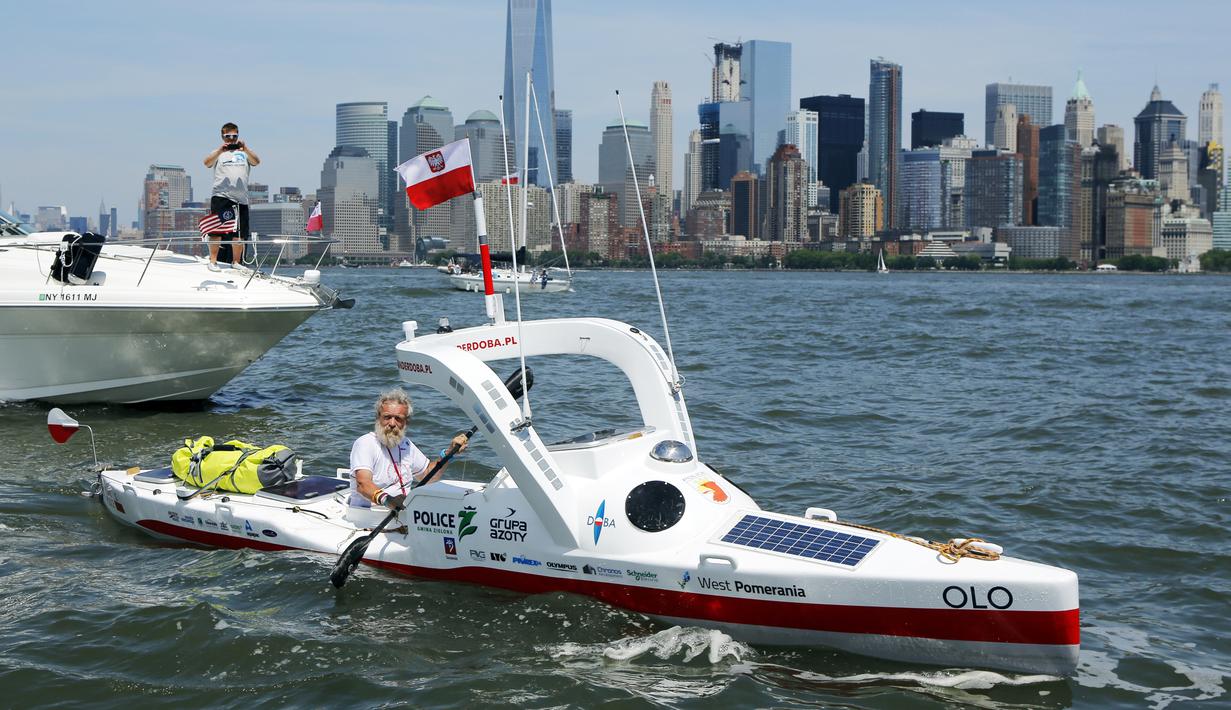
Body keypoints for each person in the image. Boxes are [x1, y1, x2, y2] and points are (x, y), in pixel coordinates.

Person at [349, 388, 469, 509]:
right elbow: (362, 484)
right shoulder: (365, 443)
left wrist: (449, 453)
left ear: (406, 422)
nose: (392, 423)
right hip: (368, 519)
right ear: (378, 418)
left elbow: (427, 476)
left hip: (403, 515)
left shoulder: (406, 444)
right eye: (387, 417)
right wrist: (388, 500)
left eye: (398, 418)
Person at [203, 122, 260, 272]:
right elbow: (207, 163)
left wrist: (245, 148)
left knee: (240, 232)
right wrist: (220, 150)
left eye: (234, 136)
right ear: (223, 137)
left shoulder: (244, 153)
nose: (231, 140)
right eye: (228, 137)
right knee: (217, 230)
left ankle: (236, 261)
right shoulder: (219, 153)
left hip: (241, 198)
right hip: (222, 196)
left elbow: (256, 161)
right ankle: (213, 261)